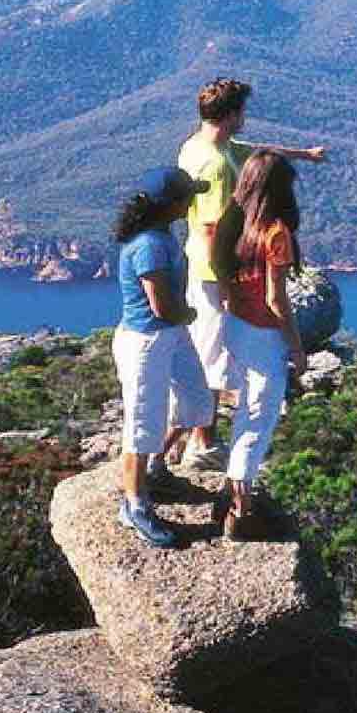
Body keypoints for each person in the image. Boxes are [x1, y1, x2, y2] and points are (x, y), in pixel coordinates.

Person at [168, 77, 327, 465]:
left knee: (215, 353)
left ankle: (197, 440)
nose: (246, 118)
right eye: (242, 111)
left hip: (205, 266)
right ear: (232, 114)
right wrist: (227, 283)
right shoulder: (218, 166)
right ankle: (199, 446)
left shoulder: (198, 144)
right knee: (212, 357)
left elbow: (256, 151)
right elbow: (213, 228)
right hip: (212, 273)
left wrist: (303, 154)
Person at [109, 166, 210, 548]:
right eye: (188, 197)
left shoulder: (161, 235)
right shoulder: (149, 245)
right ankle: (134, 506)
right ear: (169, 205)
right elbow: (162, 306)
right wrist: (191, 314)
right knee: (141, 425)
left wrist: (182, 318)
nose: (192, 202)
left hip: (170, 335)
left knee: (198, 401)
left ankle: (155, 465)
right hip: (146, 342)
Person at [215, 150, 310, 539]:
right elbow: (276, 299)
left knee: (245, 411)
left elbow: (221, 273)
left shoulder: (233, 222)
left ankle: (234, 491)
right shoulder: (275, 233)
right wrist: (297, 346)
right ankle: (240, 509)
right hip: (262, 334)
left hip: (235, 325)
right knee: (260, 417)